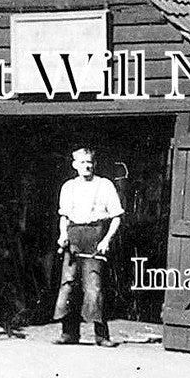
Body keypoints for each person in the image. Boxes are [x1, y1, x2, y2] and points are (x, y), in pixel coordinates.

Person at [53, 146, 123, 347]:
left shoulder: (105, 185)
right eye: (83, 163)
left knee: (93, 286)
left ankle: (101, 336)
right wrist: (63, 235)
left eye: (90, 162)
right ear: (75, 165)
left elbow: (117, 217)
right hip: (73, 237)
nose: (87, 166)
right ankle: (68, 333)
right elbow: (64, 216)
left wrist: (106, 240)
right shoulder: (69, 187)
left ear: (95, 164)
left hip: (95, 236)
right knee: (68, 284)